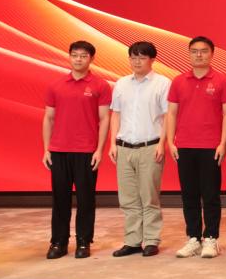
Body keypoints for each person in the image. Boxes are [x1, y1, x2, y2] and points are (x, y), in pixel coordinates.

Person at [166, 36, 226, 259]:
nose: (199, 55)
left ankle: (211, 238)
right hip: (184, 146)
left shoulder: (222, 81)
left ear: (212, 54)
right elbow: (171, 113)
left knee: (211, 194)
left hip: (210, 146)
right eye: (194, 51)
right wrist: (170, 141)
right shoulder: (178, 81)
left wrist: (223, 143)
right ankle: (193, 238)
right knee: (189, 195)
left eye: (204, 51)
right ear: (189, 54)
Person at [43, 41, 111, 259]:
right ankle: (58, 242)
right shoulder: (56, 85)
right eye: (75, 55)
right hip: (59, 150)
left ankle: (83, 242)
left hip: (86, 151)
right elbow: (49, 118)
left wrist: (99, 150)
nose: (78, 59)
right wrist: (46, 149)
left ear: (91, 59)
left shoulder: (100, 85)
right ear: (69, 57)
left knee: (86, 199)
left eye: (83, 56)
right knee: (60, 199)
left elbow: (104, 119)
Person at [107, 41, 172, 258]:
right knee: (128, 198)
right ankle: (132, 241)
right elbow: (116, 114)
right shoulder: (121, 83)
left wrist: (162, 144)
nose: (137, 62)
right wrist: (113, 143)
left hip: (150, 146)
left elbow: (168, 116)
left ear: (152, 60)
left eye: (142, 57)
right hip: (124, 147)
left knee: (149, 196)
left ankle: (151, 240)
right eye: (133, 57)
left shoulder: (162, 83)